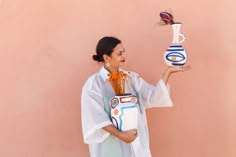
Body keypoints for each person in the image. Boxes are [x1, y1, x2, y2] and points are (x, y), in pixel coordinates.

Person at [81, 36, 190, 157]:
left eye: (124, 52)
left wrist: (167, 73)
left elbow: (152, 97)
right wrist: (122, 135)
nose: (124, 56)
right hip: (110, 143)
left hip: (134, 141)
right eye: (119, 53)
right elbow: (96, 118)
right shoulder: (94, 84)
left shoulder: (131, 78)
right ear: (106, 57)